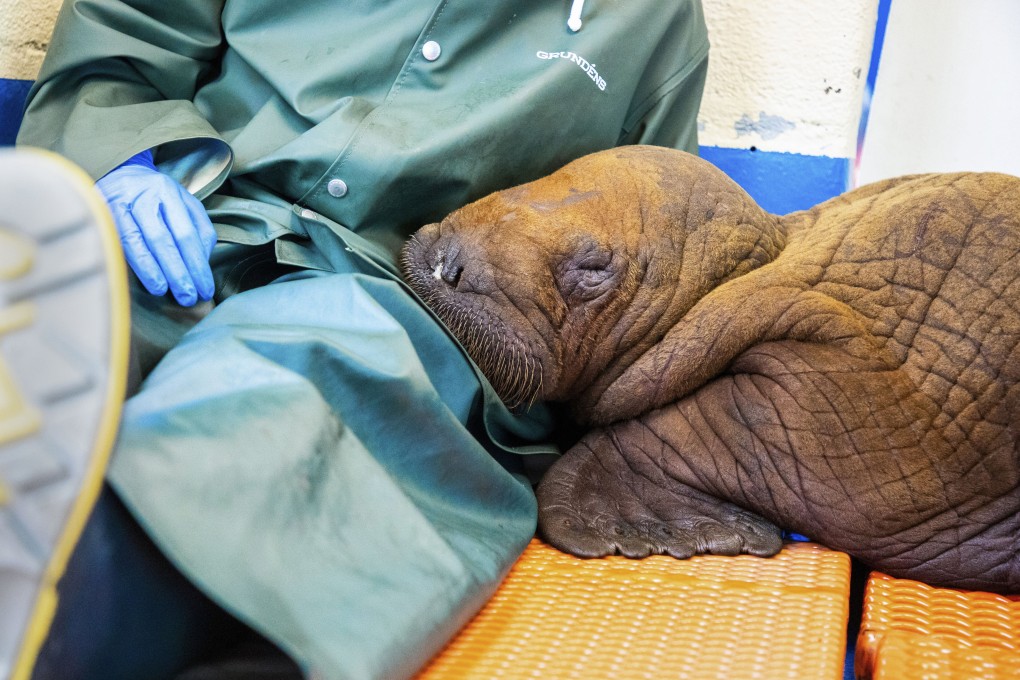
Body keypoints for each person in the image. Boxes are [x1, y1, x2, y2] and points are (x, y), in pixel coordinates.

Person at [6, 1, 709, 677]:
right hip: (199, 223)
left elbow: (655, 266)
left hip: (414, 303)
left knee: (282, 377)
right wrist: (124, 164)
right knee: (75, 309)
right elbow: (122, 42)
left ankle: (88, 593)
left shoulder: (653, 20)